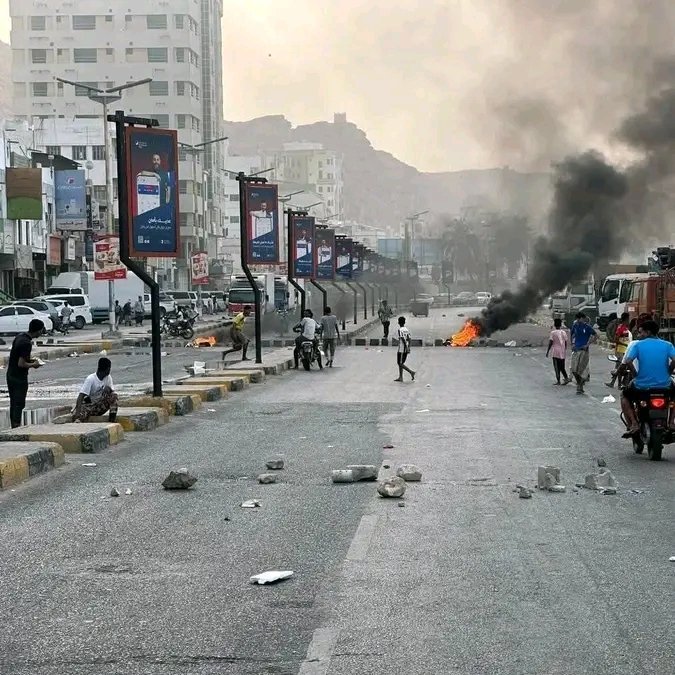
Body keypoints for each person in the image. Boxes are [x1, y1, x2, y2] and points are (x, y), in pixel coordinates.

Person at [618, 320, 675, 436]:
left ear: (648, 332)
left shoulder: (638, 345)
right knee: (674, 397)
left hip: (642, 386)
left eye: (640, 332)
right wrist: (668, 372)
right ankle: (671, 422)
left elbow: (628, 361)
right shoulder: (667, 345)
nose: (638, 335)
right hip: (665, 385)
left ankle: (634, 424)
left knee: (624, 396)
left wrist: (635, 375)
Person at [6, 319, 44, 428]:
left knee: (14, 402)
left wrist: (30, 360)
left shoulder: (20, 337)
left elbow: (18, 357)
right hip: (19, 377)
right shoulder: (26, 343)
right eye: (41, 330)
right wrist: (34, 365)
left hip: (11, 374)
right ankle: (16, 426)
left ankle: (13, 425)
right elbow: (21, 364)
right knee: (19, 403)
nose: (41, 333)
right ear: (38, 330)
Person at [71, 357, 118, 423]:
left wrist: (109, 389)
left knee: (114, 396)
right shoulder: (91, 379)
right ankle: (78, 419)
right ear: (107, 369)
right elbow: (80, 397)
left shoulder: (108, 378)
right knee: (78, 417)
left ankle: (112, 421)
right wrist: (77, 414)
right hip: (89, 406)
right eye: (109, 368)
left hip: (99, 406)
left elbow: (112, 393)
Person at [569, 312, 597, 394]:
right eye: (577, 319)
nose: (578, 320)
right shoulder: (575, 326)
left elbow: (595, 335)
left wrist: (588, 344)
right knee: (574, 369)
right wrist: (572, 344)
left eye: (579, 319)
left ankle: (580, 386)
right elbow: (572, 335)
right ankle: (579, 383)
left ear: (583, 318)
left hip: (584, 351)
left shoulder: (587, 327)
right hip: (576, 350)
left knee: (582, 370)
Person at [606, 312, 632, 388]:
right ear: (626, 319)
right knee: (620, 368)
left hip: (625, 350)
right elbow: (616, 339)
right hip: (620, 350)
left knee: (619, 368)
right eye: (628, 319)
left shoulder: (626, 328)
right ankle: (618, 384)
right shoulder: (620, 328)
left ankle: (614, 383)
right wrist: (625, 345)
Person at [546, 317, 571, 385]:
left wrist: (548, 351)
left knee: (556, 367)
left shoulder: (553, 333)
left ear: (554, 324)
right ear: (560, 324)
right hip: (562, 352)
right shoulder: (563, 332)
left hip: (555, 352)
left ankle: (558, 380)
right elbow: (565, 342)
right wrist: (564, 349)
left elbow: (551, 342)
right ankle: (566, 378)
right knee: (562, 367)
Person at [394, 316, 416, 382]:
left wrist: (406, 347)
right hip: (405, 348)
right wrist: (409, 347)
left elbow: (403, 339)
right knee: (401, 363)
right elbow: (409, 339)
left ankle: (411, 372)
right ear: (404, 322)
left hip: (401, 349)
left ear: (398, 322)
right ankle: (400, 377)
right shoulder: (406, 330)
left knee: (400, 363)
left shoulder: (400, 330)